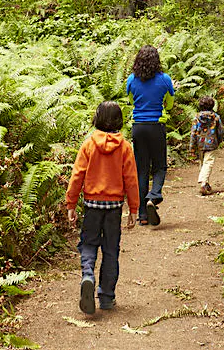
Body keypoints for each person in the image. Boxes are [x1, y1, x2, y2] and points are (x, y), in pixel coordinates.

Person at [64, 101, 140, 315]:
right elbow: (131, 180)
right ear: (119, 121)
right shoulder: (125, 147)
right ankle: (106, 297)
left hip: (91, 206)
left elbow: (77, 175)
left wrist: (71, 203)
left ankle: (87, 274)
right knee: (110, 250)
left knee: (88, 244)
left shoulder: (88, 145)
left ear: (97, 119)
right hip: (114, 207)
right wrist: (133, 208)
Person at [124, 45, 174, 226]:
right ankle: (154, 196)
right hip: (156, 126)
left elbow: (131, 101)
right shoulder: (165, 80)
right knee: (160, 166)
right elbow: (169, 104)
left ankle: (143, 215)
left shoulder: (131, 80)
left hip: (138, 127)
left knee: (141, 169)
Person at [189, 95, 223, 195]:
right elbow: (220, 131)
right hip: (212, 143)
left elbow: (193, 132)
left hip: (200, 143)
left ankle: (205, 183)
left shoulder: (196, 118)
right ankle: (203, 183)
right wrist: (219, 141)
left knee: (203, 163)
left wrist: (192, 146)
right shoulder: (216, 117)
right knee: (208, 163)